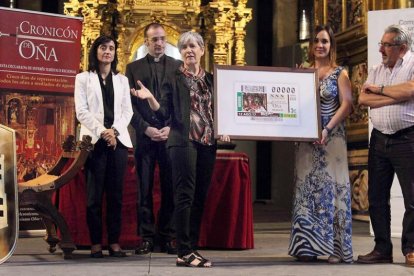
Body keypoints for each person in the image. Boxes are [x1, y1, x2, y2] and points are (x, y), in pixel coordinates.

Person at [131, 31, 230, 267]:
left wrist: (226, 127)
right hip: (182, 142)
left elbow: (222, 109)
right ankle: (183, 251)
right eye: (185, 47)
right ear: (181, 53)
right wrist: (150, 99)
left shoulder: (212, 80)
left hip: (207, 142)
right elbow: (164, 112)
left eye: (194, 46)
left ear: (202, 50)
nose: (189, 50)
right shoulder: (174, 78)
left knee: (199, 197)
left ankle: (191, 248)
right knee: (184, 195)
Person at [288, 25, 354, 264]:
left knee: (332, 189)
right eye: (316, 40)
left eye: (324, 41)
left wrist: (326, 129)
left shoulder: (340, 73)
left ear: (331, 45)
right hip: (307, 140)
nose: (319, 45)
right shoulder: (302, 72)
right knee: (307, 190)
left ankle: (337, 248)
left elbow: (347, 104)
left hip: (331, 138)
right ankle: (307, 245)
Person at [357, 24, 414, 266]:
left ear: (401, 49)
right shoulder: (376, 68)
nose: (380, 49)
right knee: (377, 196)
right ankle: (382, 248)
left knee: (412, 198)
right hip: (379, 139)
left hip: (407, 138)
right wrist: (395, 94)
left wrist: (380, 91)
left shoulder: (412, 65)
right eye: (381, 44)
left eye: (386, 45)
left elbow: (411, 90)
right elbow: (362, 98)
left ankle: (411, 249)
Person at [125, 23, 182, 255]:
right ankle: (146, 237)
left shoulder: (178, 67)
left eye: (162, 39)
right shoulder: (133, 68)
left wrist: (170, 127)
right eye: (154, 40)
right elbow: (128, 106)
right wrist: (146, 129)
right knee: (144, 188)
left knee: (170, 188)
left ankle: (167, 236)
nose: (159, 43)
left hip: (169, 137)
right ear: (145, 42)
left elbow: (180, 104)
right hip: (145, 137)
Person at [75, 35, 133, 258]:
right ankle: (96, 242)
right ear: (95, 51)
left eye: (111, 48)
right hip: (94, 143)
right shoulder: (83, 78)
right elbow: (82, 111)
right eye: (103, 48)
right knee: (94, 197)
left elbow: (127, 111)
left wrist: (114, 131)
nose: (107, 51)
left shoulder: (122, 80)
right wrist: (103, 132)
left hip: (117, 143)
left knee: (116, 196)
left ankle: (115, 242)